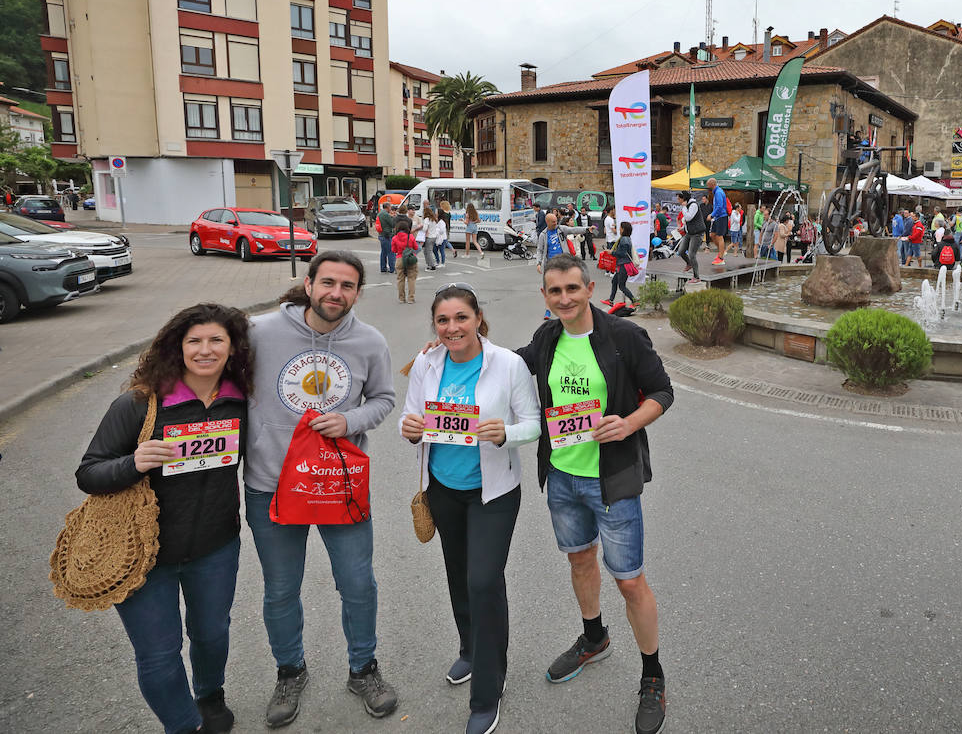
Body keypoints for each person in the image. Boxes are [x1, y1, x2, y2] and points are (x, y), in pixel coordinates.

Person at [77, 303, 253, 734]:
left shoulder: (242, 401)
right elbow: (89, 472)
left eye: (216, 340)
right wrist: (132, 463)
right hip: (140, 554)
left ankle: (210, 695)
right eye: (194, 341)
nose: (205, 350)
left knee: (212, 635)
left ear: (232, 349)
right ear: (178, 346)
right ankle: (183, 725)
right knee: (158, 654)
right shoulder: (140, 403)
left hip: (215, 547)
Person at [517, 255, 674, 734]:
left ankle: (653, 675)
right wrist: (447, 345)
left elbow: (662, 392)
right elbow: (504, 365)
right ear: (545, 296)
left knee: (629, 580)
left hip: (611, 480)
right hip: (561, 477)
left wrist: (628, 423)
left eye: (571, 288)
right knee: (579, 561)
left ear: (589, 288)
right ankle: (594, 638)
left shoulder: (624, 337)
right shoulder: (547, 338)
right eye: (554, 291)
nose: (564, 298)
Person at [243, 251, 398, 727]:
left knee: (357, 584)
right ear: (308, 285)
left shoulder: (370, 342)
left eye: (347, 286)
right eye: (327, 282)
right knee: (281, 589)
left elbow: (385, 398)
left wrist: (350, 419)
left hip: (338, 484)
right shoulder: (259, 333)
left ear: (357, 293)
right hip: (271, 483)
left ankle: (363, 669)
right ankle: (290, 671)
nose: (336, 293)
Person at [399, 284, 541, 734]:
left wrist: (506, 434)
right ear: (435, 326)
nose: (452, 328)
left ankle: (488, 687)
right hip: (444, 488)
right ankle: (468, 647)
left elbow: (533, 423)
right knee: (459, 574)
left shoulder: (508, 364)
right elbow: (411, 419)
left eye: (461, 317)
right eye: (443, 320)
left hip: (493, 491)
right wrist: (412, 429)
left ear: (478, 317)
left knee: (483, 581)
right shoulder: (426, 362)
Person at [605, 221, 638, 309]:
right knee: (614, 281)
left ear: (623, 229)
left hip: (624, 265)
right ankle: (611, 300)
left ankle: (634, 301)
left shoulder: (624, 239)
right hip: (622, 264)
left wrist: (611, 252)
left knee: (622, 286)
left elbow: (622, 253)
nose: (619, 229)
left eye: (620, 227)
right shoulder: (626, 238)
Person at [677, 190, 705, 282]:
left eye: (679, 198)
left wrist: (684, 207)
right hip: (689, 232)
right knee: (680, 251)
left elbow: (689, 217)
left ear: (683, 199)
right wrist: (682, 228)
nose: (677, 200)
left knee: (692, 254)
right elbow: (686, 220)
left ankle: (697, 277)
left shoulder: (693, 205)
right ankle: (689, 264)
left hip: (697, 233)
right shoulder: (687, 205)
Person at [393, 215, 421, 304]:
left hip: (400, 258)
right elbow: (416, 247)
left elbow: (393, 250)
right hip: (410, 258)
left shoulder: (395, 238)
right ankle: (411, 298)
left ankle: (401, 298)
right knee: (411, 278)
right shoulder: (411, 237)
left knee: (400, 279)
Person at [706, 178, 728, 265]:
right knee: (712, 234)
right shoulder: (717, 191)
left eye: (708, 184)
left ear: (712, 184)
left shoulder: (718, 192)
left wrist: (711, 215)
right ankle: (721, 251)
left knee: (719, 236)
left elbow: (719, 206)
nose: (707, 186)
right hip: (718, 217)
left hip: (721, 216)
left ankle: (721, 258)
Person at [377, 202, 397, 275]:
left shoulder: (380, 213)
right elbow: (392, 224)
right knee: (391, 252)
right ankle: (392, 268)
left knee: (384, 252)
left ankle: (383, 268)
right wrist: (394, 217)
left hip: (381, 235)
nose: (391, 208)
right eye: (390, 207)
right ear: (387, 207)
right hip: (387, 235)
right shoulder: (385, 214)